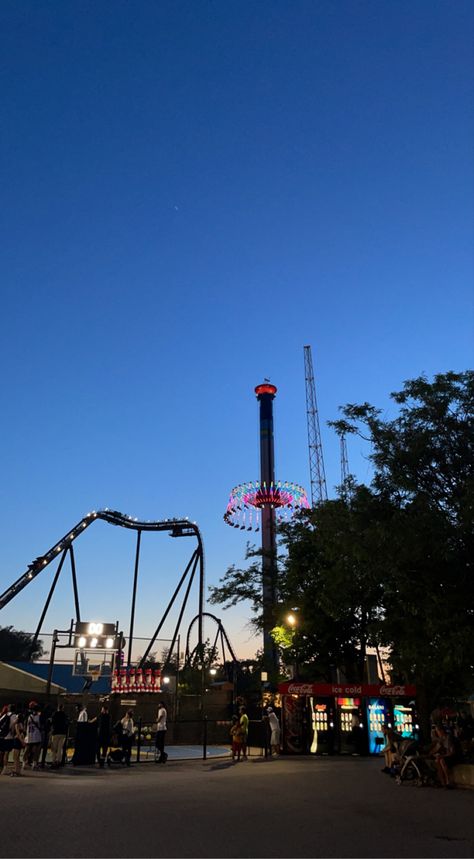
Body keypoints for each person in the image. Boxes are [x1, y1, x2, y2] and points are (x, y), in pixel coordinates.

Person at [23, 702, 43, 770]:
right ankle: (34, 764)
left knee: (27, 750)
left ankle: (24, 763)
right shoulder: (39, 716)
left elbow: (25, 725)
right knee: (36, 751)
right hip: (36, 735)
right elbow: (41, 726)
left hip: (29, 735)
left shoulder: (28, 716)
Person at [50, 703, 68, 768]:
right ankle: (58, 761)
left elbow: (52, 722)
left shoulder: (54, 714)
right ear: (63, 708)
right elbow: (66, 723)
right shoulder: (64, 715)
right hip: (62, 733)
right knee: (60, 748)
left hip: (55, 732)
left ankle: (53, 761)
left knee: (54, 748)